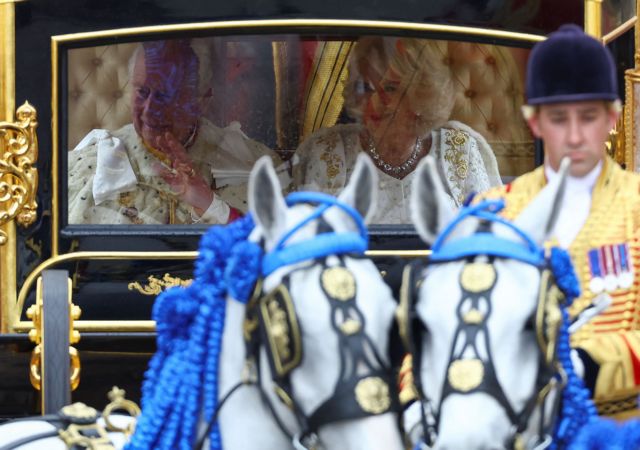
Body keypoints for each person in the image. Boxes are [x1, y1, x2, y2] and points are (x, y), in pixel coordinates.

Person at [481, 24, 640, 418]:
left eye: (588, 117)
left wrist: (585, 364)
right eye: (558, 118)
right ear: (534, 122)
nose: (574, 136)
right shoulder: (492, 212)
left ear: (612, 117)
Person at [68, 39, 284, 225]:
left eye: (165, 96)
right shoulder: (88, 167)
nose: (150, 110)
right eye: (142, 92)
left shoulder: (254, 163)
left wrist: (210, 204)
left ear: (201, 101)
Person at [293, 36, 502, 224]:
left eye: (390, 88)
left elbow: (487, 232)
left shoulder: (459, 150)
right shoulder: (326, 152)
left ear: (422, 95)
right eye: (365, 87)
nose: (374, 101)